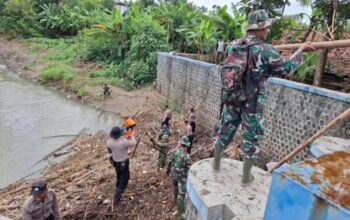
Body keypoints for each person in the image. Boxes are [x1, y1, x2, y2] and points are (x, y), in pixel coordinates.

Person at [212, 10, 315, 187]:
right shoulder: (266, 50)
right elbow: (286, 68)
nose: (268, 30)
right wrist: (300, 50)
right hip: (252, 101)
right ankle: (245, 179)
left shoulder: (234, 44)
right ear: (259, 29)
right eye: (266, 27)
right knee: (251, 137)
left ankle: (215, 165)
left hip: (233, 96)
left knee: (226, 129)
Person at [107, 126, 137, 205]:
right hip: (123, 163)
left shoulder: (109, 142)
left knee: (119, 177)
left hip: (116, 163)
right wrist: (132, 136)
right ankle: (116, 200)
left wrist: (123, 134)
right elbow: (134, 142)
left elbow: (111, 149)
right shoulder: (123, 142)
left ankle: (117, 190)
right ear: (120, 134)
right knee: (124, 180)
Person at [167, 136, 191, 217]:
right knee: (181, 194)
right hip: (181, 177)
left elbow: (169, 161)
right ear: (186, 145)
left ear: (181, 144)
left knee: (175, 186)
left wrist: (168, 170)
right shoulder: (186, 156)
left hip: (174, 173)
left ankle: (175, 199)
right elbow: (188, 169)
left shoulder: (175, 151)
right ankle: (180, 212)